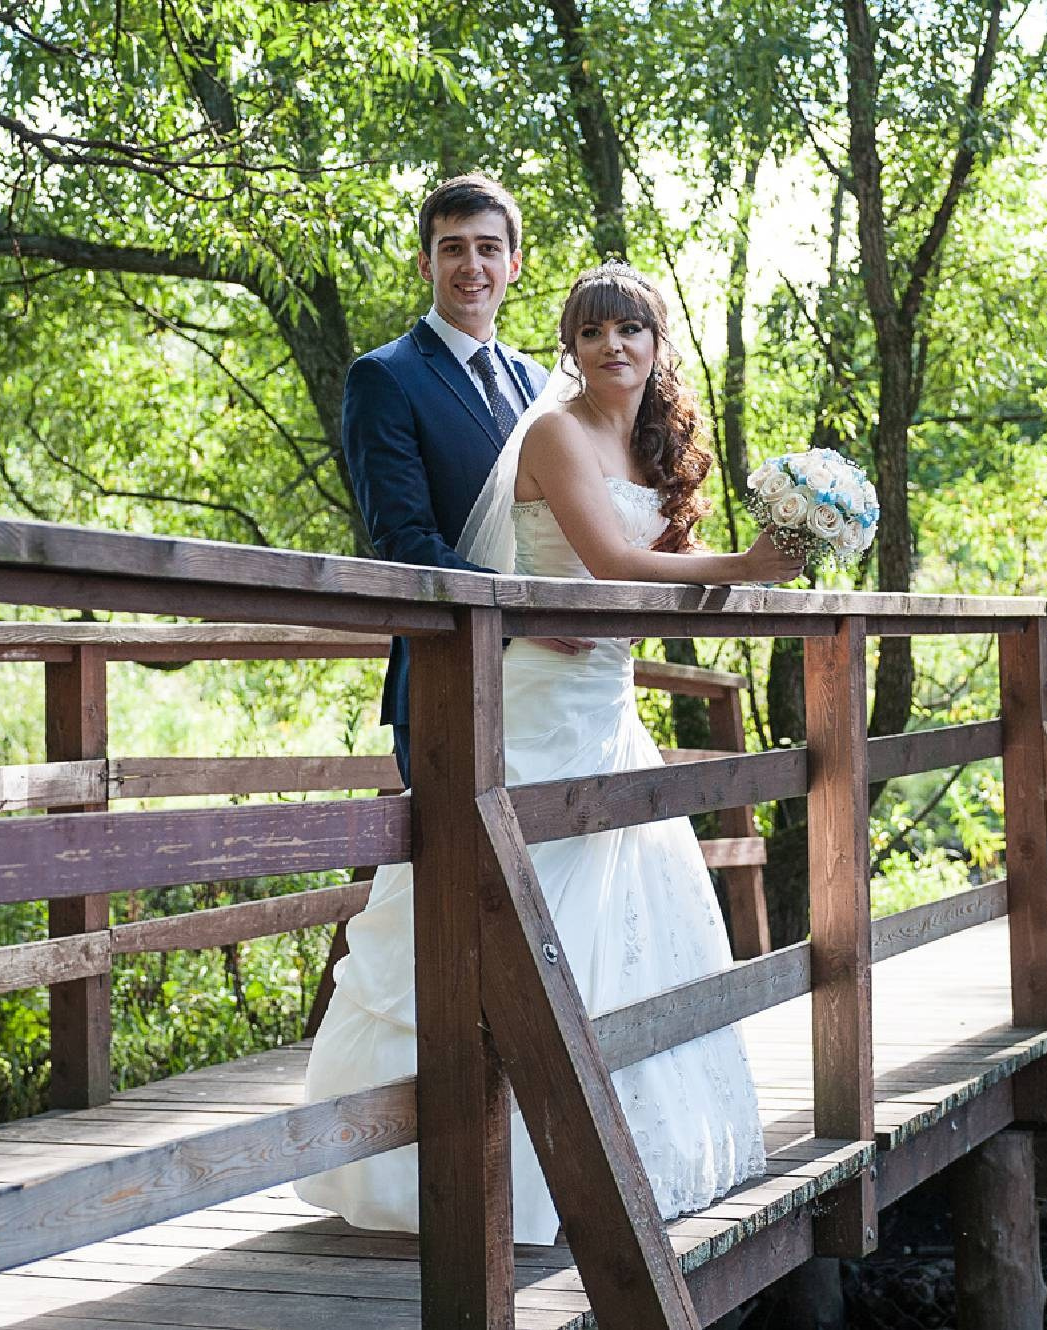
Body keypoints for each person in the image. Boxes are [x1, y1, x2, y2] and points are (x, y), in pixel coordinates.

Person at [297, 261, 803, 1245]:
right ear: (569, 348)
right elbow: (611, 568)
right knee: (509, 900)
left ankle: (614, 1153)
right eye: (590, 331)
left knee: (625, 915)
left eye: (630, 329)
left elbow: (648, 578)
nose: (611, 345)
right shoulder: (556, 430)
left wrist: (773, 559)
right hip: (537, 704)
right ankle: (455, 1158)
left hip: (606, 700)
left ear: (658, 347)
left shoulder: (650, 445)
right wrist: (747, 566)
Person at [339, 173, 550, 787]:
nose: (471, 265)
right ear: (424, 263)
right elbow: (405, 541)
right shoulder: (384, 377)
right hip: (450, 673)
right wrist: (530, 614)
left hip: (554, 678)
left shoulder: (542, 385)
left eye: (487, 248)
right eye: (452, 247)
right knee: (461, 876)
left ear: (513, 265)